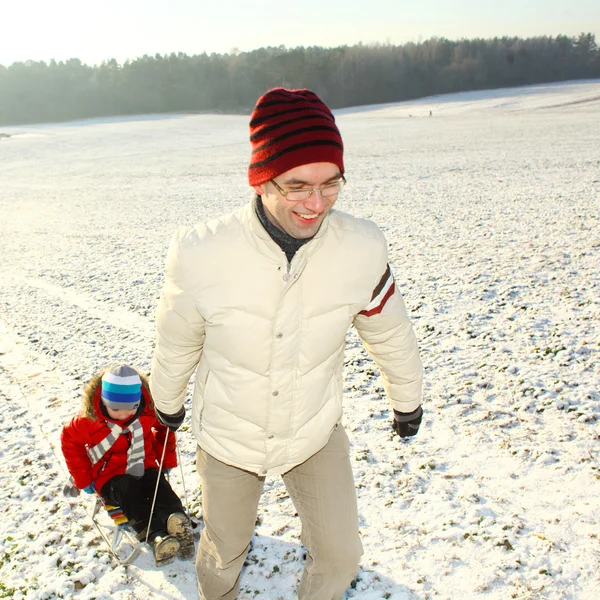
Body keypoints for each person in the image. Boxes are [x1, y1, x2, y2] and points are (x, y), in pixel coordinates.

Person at [150, 87, 423, 599]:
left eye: (331, 183)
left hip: (313, 429)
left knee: (342, 555)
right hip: (231, 435)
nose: (316, 203)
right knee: (224, 553)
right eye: (297, 185)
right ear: (261, 179)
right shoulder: (202, 252)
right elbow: (177, 340)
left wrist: (407, 400)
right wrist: (167, 405)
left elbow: (390, 331)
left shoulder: (361, 247)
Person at [61, 364, 195, 567]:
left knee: (157, 484)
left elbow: (164, 430)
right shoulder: (89, 420)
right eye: (115, 409)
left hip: (143, 462)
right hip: (109, 474)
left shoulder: (148, 412)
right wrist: (84, 480)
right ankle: (156, 536)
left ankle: (175, 519)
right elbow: (71, 443)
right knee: (129, 492)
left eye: (130, 409)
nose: (123, 415)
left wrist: (165, 461)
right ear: (104, 402)